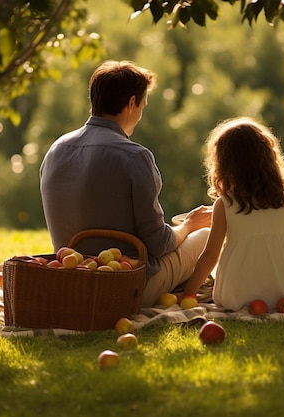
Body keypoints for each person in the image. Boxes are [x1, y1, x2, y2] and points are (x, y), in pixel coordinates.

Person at [39, 60, 211, 307]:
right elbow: (159, 244)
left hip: (73, 279)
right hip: (125, 286)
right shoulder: (134, 156)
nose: (140, 114)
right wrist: (190, 225)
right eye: (142, 105)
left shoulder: (56, 149)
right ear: (132, 104)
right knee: (205, 235)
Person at [181, 117, 284, 311]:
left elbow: (210, 255)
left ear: (224, 166)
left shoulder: (225, 205)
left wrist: (188, 293)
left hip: (241, 294)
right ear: (270, 158)